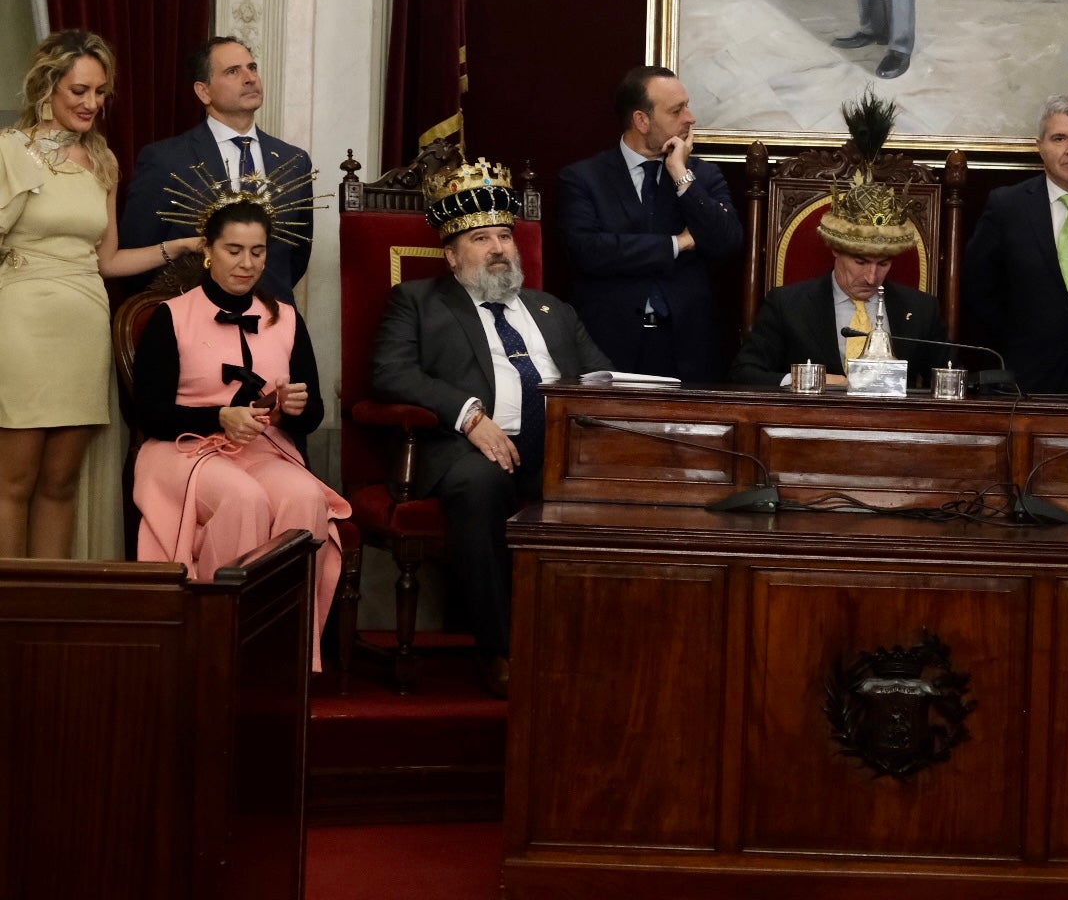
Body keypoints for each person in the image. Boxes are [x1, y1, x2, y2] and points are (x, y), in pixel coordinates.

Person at [373, 157, 611, 697]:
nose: (500, 247)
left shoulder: (552, 309)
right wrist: (469, 416)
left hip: (558, 447)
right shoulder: (416, 302)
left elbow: (600, 376)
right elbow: (391, 373)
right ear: (453, 255)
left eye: (505, 234)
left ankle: (594, 642)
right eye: (482, 238)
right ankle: (502, 648)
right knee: (481, 485)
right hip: (465, 450)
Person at [0, 29, 204, 561]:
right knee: (13, 482)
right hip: (22, 321)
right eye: (79, 91)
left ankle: (48, 613)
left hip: (85, 322)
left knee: (61, 481)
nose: (92, 103)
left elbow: (108, 260)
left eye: (100, 93)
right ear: (47, 88)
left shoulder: (103, 160)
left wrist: (175, 245)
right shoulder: (8, 150)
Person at [131, 194, 347, 671]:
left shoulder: (286, 318)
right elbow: (150, 414)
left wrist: (294, 408)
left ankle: (285, 654)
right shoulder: (173, 315)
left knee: (305, 497)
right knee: (243, 498)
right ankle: (220, 645)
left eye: (258, 251)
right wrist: (216, 418)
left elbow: (312, 416)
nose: (247, 263)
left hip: (262, 449)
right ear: (209, 249)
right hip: (182, 450)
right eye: (234, 250)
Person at [731, 102, 949, 386]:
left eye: (883, 264)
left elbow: (950, 379)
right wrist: (817, 380)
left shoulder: (921, 310)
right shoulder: (788, 305)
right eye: (860, 261)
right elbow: (744, 373)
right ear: (836, 249)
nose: (872, 277)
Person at [557, 66, 741, 383]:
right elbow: (590, 251)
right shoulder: (583, 179)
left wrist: (681, 175)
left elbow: (727, 241)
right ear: (642, 120)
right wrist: (677, 244)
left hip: (688, 348)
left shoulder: (703, 176)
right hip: (610, 346)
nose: (690, 118)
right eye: (676, 110)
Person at [119, 36, 314, 301]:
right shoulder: (165, 159)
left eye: (252, 68)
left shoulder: (293, 161)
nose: (249, 78)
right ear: (204, 91)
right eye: (233, 71)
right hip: (193, 322)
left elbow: (296, 255)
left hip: (273, 319)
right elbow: (136, 257)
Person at [963, 94, 1068, 394]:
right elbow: (978, 288)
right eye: (1060, 138)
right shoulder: (1006, 206)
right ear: (1041, 147)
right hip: (1025, 381)